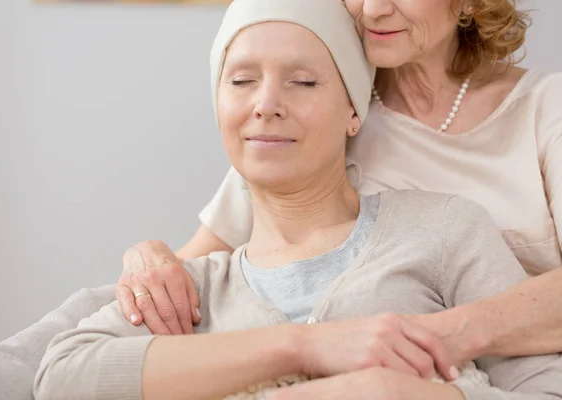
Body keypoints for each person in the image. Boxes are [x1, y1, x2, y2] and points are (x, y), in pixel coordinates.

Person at [33, 1, 562, 399]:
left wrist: (400, 358)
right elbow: (80, 354)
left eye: (304, 82)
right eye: (241, 82)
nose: (372, 7)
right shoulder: (300, 138)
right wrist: (150, 258)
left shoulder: (465, 205)